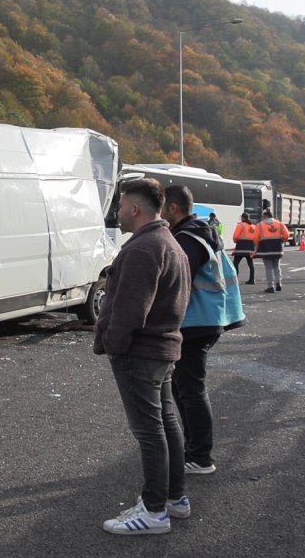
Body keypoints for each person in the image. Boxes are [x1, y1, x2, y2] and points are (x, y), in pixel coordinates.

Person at [94, 178, 190, 535]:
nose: (117, 213)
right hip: (163, 349)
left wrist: (113, 345)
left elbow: (130, 311)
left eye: (120, 206)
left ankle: (153, 512)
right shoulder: (169, 243)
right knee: (167, 424)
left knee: (150, 431)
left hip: (141, 353)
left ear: (135, 208)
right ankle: (174, 499)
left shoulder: (142, 249)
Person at [162, 185, 245, 478]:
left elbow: (177, 281)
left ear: (173, 208)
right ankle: (193, 447)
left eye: (161, 206)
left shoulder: (188, 239)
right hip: (207, 318)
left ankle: (200, 455)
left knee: (190, 387)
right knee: (182, 386)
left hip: (197, 321)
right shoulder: (200, 231)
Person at [255, 209, 291, 293]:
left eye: (263, 216)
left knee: (268, 268)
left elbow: (255, 237)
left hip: (265, 249)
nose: (262, 218)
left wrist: (257, 246)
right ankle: (278, 282)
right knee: (277, 266)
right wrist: (282, 240)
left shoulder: (260, 225)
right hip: (277, 248)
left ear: (266, 216)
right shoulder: (279, 224)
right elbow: (286, 234)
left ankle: (270, 286)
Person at [231, 213, 259, 285]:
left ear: (243, 218)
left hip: (241, 246)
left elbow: (236, 236)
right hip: (250, 247)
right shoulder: (253, 226)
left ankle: (235, 279)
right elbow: (256, 237)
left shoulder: (241, 225)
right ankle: (252, 279)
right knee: (250, 264)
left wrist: (235, 241)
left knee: (235, 263)